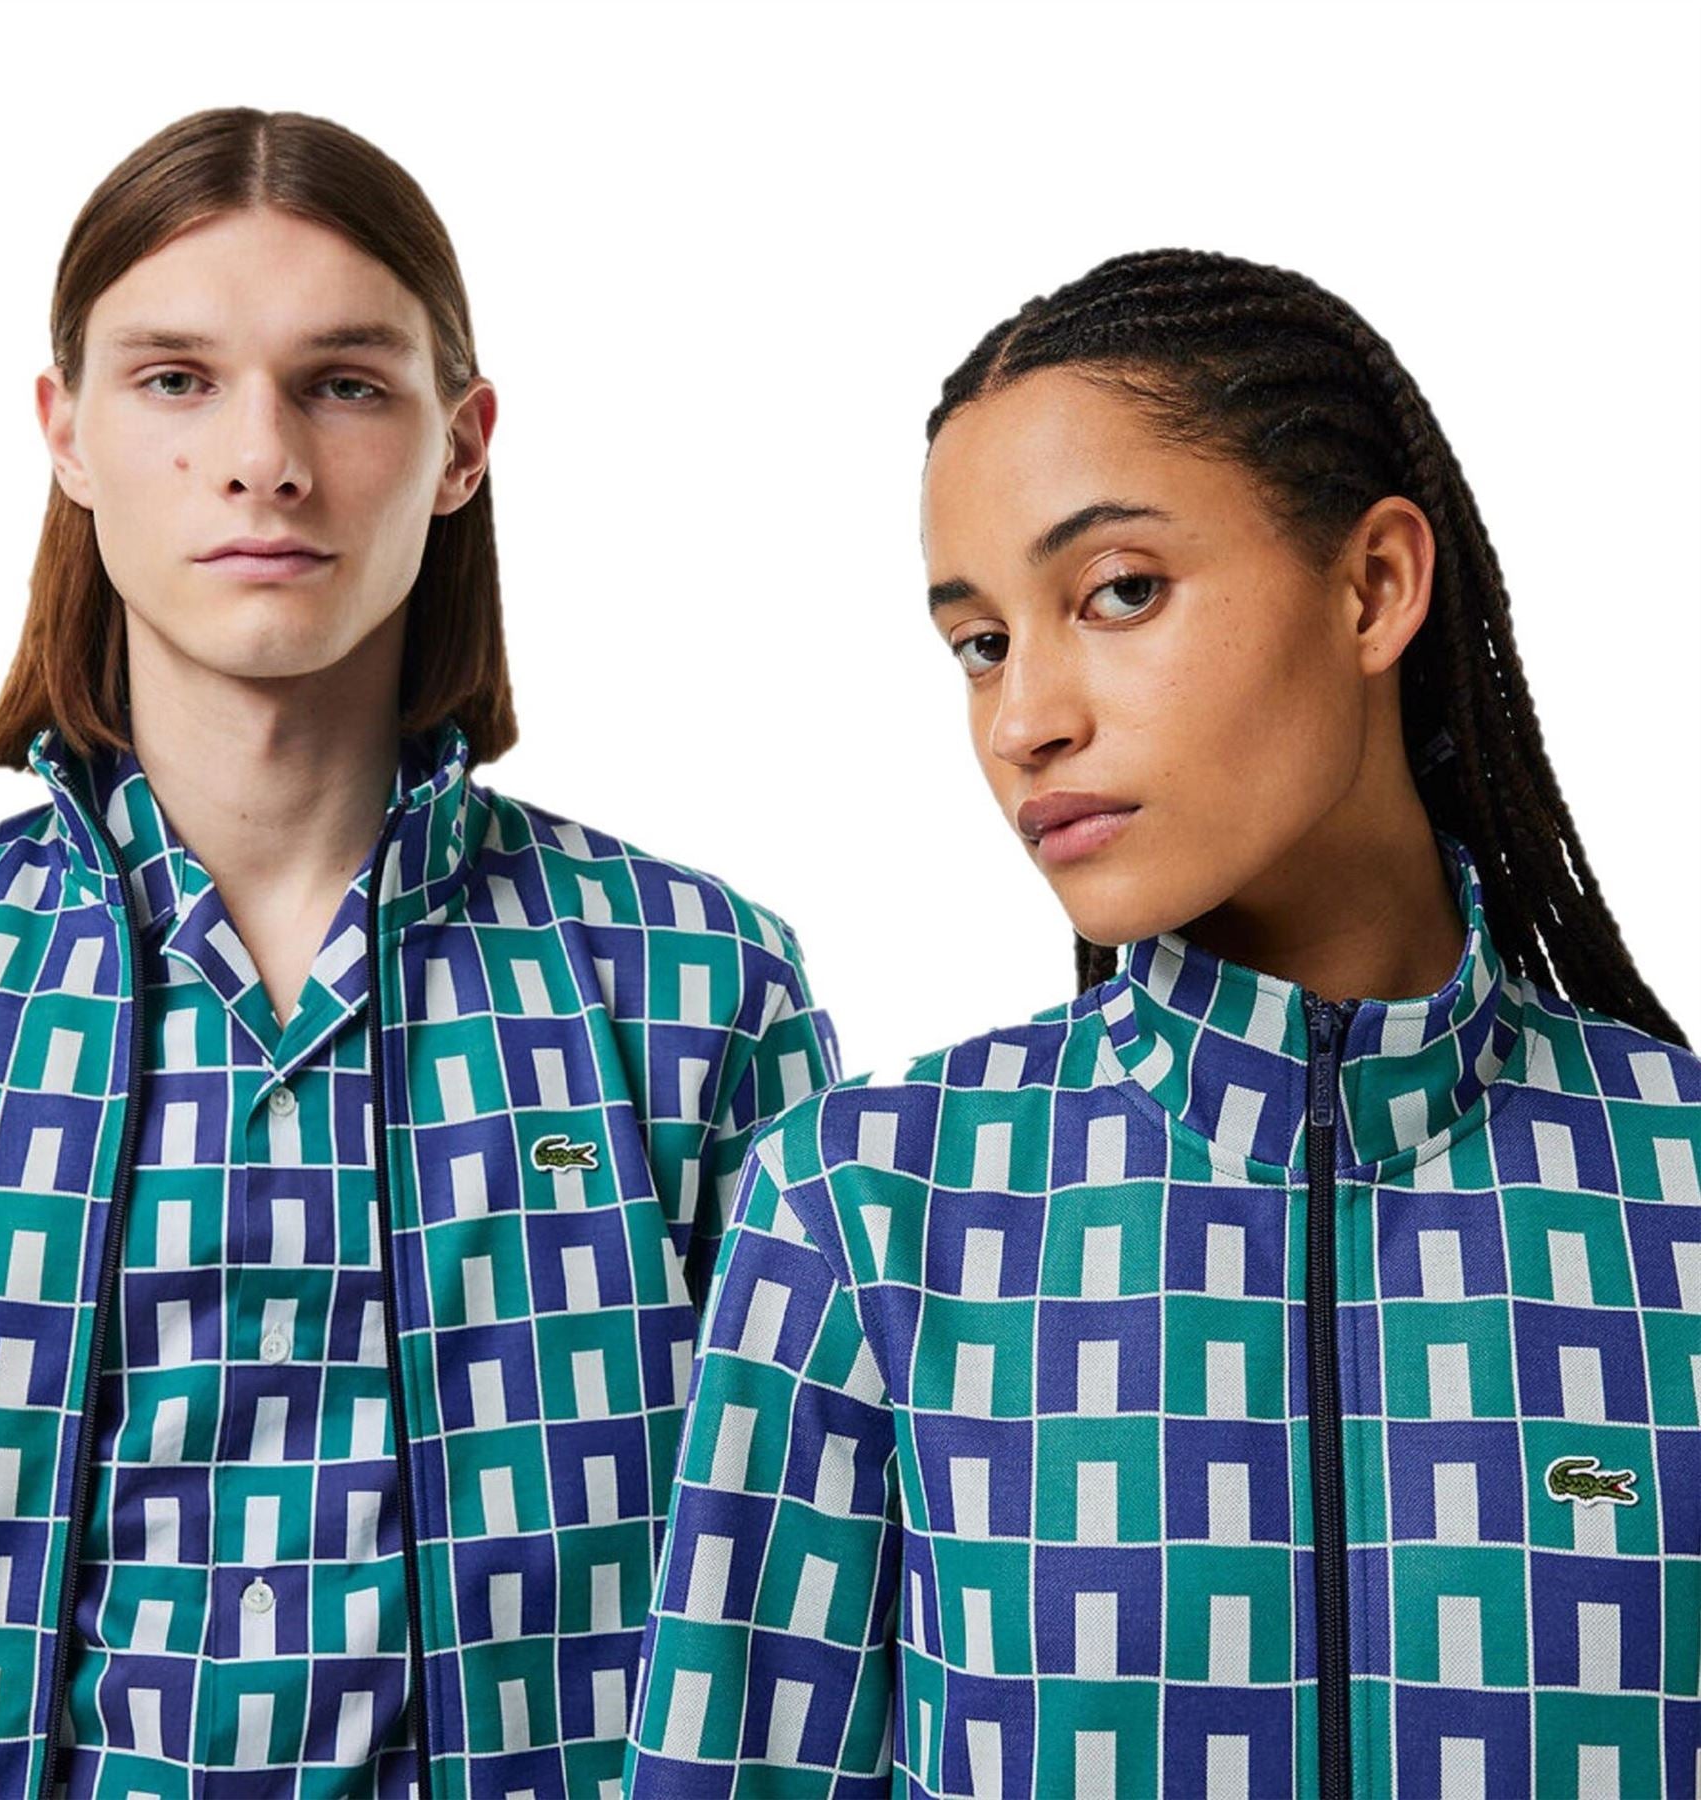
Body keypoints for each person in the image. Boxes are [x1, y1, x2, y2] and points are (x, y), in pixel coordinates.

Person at [623, 248, 1700, 1799]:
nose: (1023, 720)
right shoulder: (865, 1211)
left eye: (1119, 592)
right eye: (982, 642)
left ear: (1373, 587)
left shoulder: (1678, 1193)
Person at [0, 106, 839, 1799]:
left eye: (343, 383)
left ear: (462, 446)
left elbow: (804, 1622)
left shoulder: (698, 991)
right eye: (175, 380)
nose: (262, 457)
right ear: (66, 435)